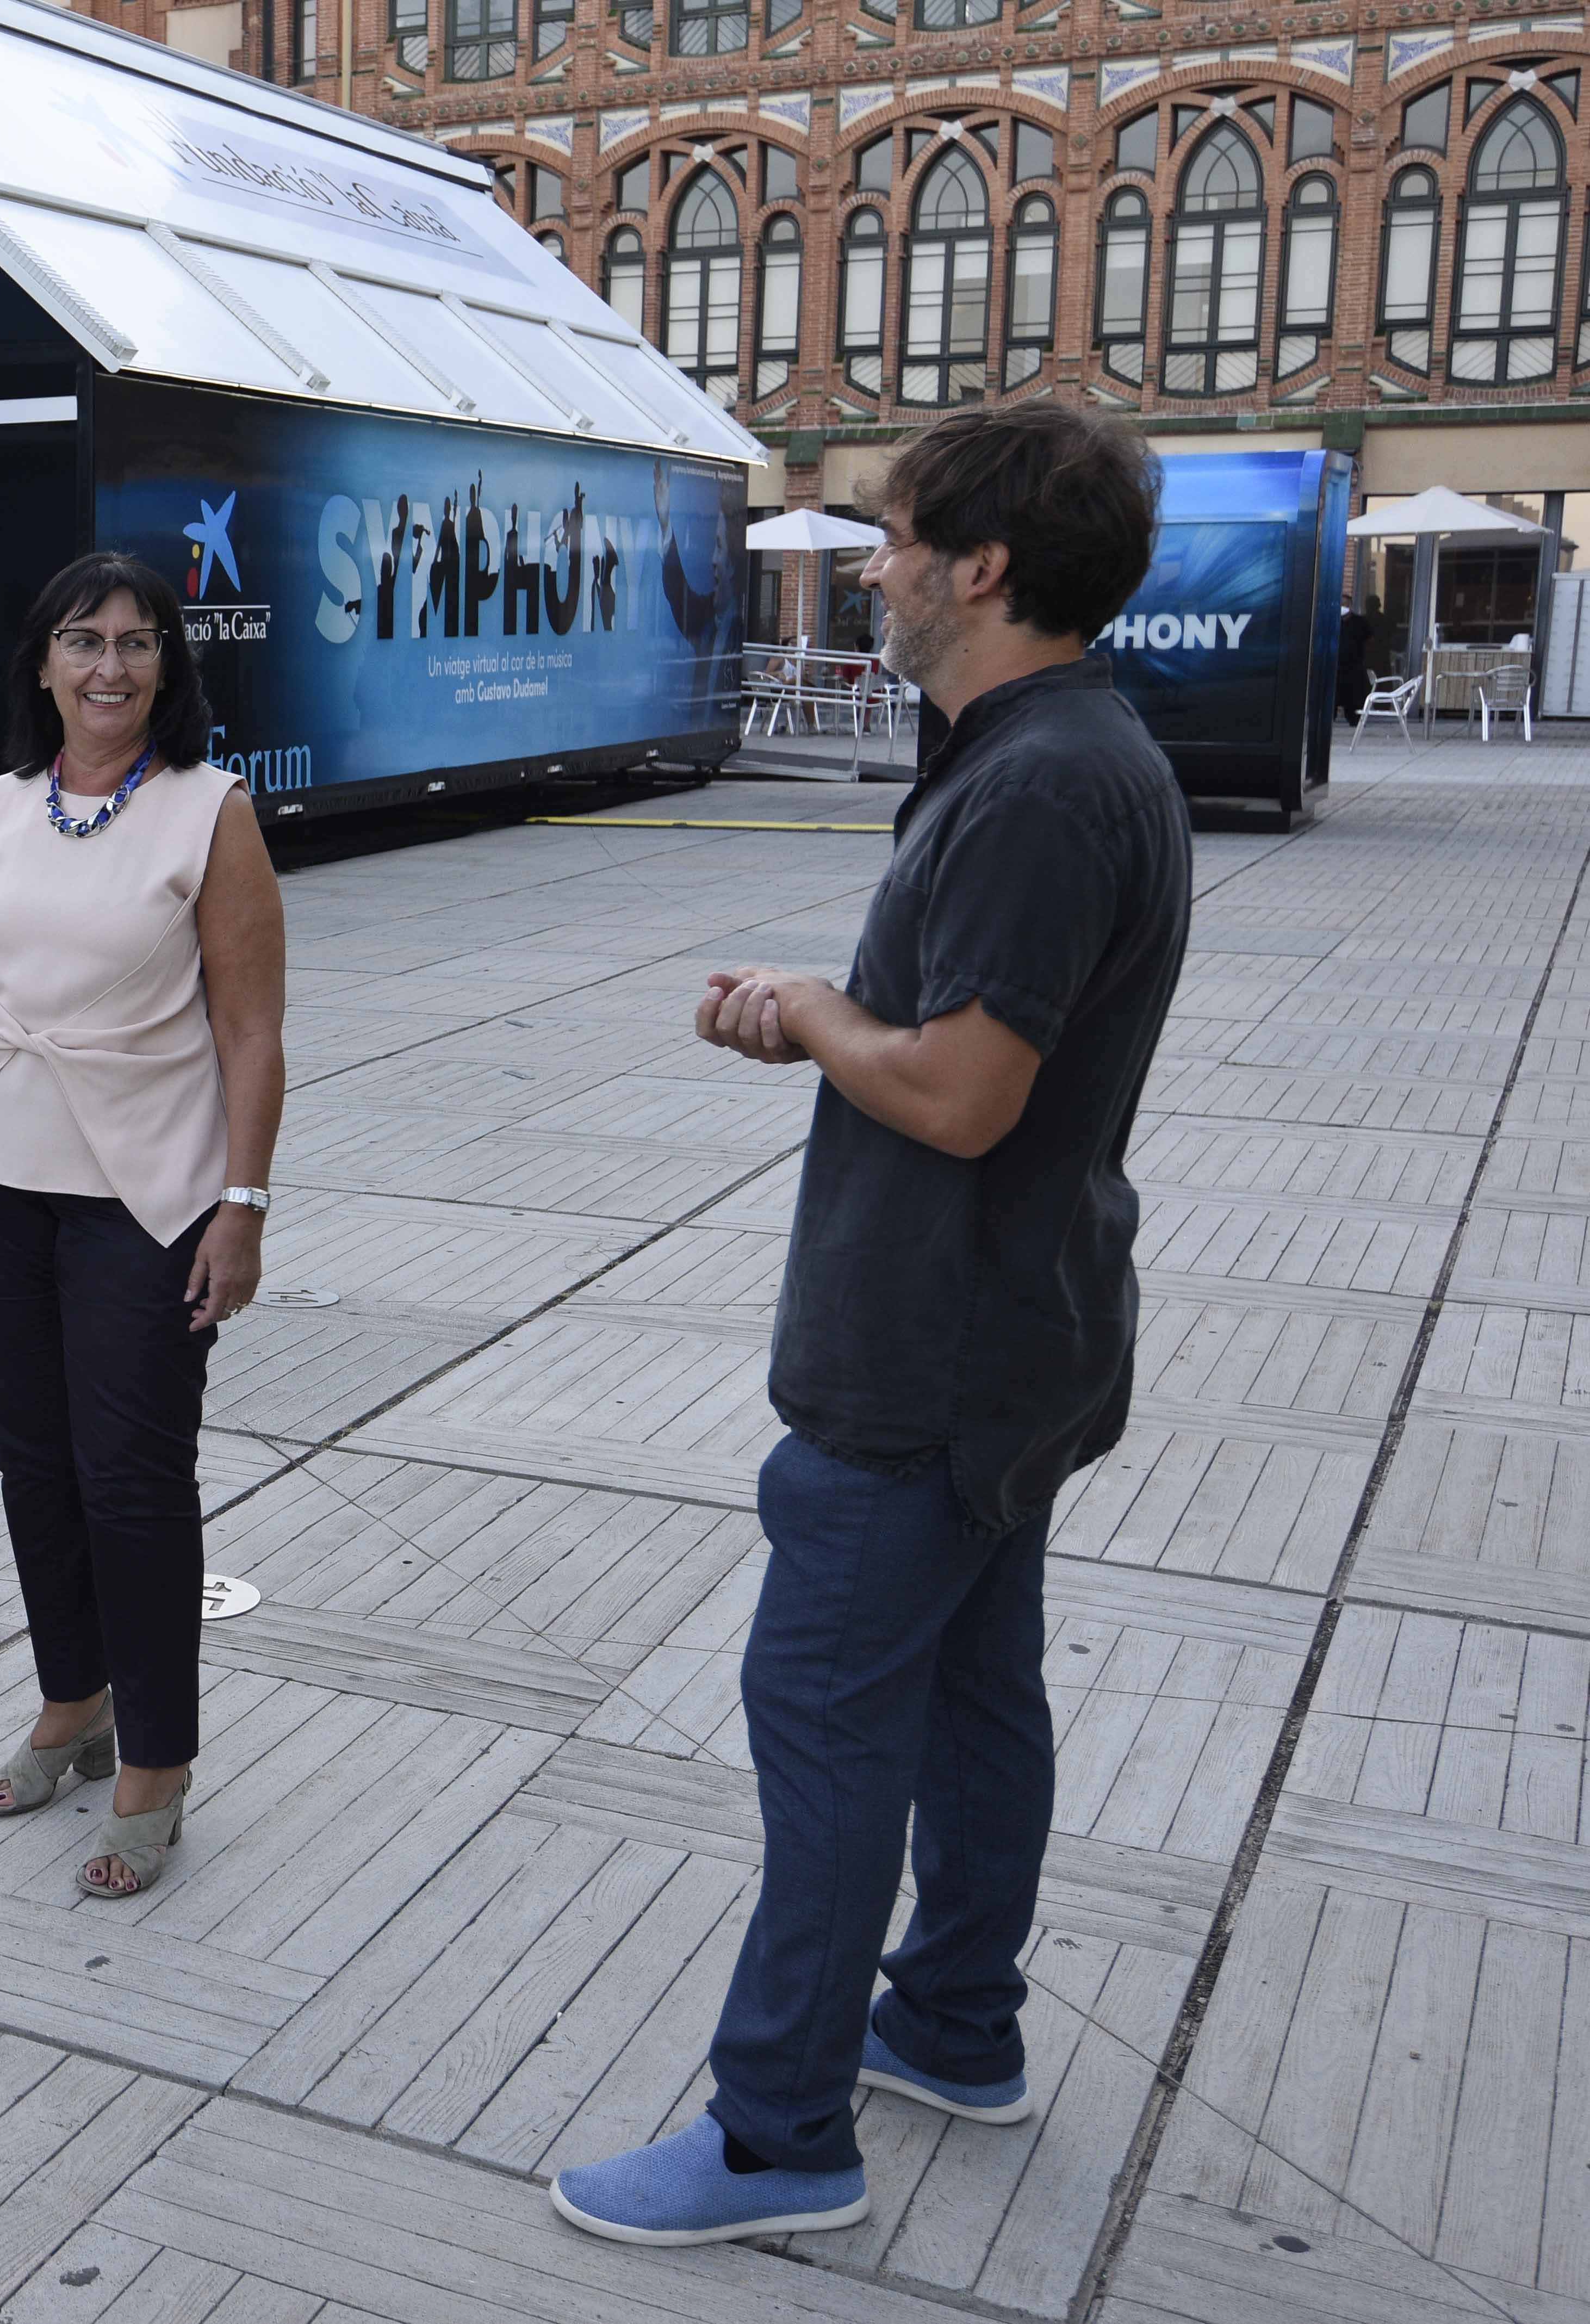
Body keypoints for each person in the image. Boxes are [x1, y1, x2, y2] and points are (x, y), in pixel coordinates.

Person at [551, 404, 1180, 2243]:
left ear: (979, 567)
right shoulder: (1060, 753)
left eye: (897, 539)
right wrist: (829, 1022)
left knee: (824, 1721)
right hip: (1012, 1333)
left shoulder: (1038, 785)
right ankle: (954, 2023)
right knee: (974, 1696)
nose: (873, 569)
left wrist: (820, 1015)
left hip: (928, 1357)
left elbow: (964, 1096)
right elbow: (974, 1053)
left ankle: (775, 2137)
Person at [0, 551, 286, 1901]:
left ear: (167, 666)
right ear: (42, 665)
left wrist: (242, 1207)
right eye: (82, 640)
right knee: (34, 1467)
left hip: (148, 1199)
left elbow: (251, 1032)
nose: (109, 665)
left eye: (135, 641)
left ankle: (156, 1761)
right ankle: (74, 1702)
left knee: (133, 1481)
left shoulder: (209, 812)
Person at [1336, 595, 1377, 720]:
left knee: (1354, 695)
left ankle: (1354, 719)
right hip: (1335, 666)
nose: (1343, 607)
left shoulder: (1360, 622)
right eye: (1341, 604)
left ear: (1351, 606)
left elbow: (1371, 640)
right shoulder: (1333, 620)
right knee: (1334, 693)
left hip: (1355, 665)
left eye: (1346, 604)